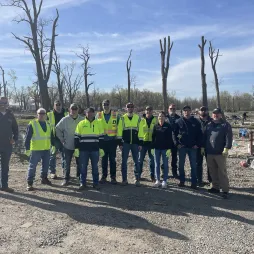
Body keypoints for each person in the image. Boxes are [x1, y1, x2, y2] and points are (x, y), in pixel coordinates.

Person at [204, 108, 233, 199]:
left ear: (221, 115)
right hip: (209, 152)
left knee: (222, 172)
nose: (215, 115)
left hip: (220, 153)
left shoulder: (225, 125)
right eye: (214, 113)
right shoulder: (209, 125)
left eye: (217, 113)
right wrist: (202, 147)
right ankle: (215, 187)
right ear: (212, 115)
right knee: (212, 171)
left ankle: (225, 190)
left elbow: (229, 137)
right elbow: (205, 137)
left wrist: (227, 148)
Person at [173, 105, 203, 189]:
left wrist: (197, 144)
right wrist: (177, 143)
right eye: (185, 110)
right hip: (182, 147)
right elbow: (174, 134)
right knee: (181, 165)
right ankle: (182, 181)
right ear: (182, 112)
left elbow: (200, 134)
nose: (186, 112)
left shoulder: (196, 122)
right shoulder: (178, 121)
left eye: (188, 110)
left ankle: (194, 182)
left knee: (193, 165)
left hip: (192, 147)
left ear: (191, 111)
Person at [74, 107, 104, 190]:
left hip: (95, 149)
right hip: (83, 150)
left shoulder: (98, 123)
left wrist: (101, 148)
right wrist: (76, 148)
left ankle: (96, 183)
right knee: (83, 167)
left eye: (91, 112)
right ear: (85, 113)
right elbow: (76, 137)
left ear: (94, 113)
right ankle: (82, 183)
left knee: (95, 167)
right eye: (88, 112)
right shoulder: (81, 123)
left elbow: (101, 137)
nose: (90, 114)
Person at [25, 108, 54, 191]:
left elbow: (50, 137)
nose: (41, 115)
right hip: (36, 149)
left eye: (43, 113)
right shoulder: (32, 124)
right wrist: (27, 149)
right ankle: (29, 183)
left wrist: (52, 146)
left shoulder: (48, 124)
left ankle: (44, 178)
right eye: (40, 113)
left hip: (46, 149)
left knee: (46, 165)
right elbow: (27, 138)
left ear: (46, 115)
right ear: (37, 114)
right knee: (32, 166)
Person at [55, 103, 84, 186]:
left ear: (78, 110)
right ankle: (66, 178)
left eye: (75, 109)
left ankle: (79, 178)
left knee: (80, 163)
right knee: (67, 163)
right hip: (68, 145)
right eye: (72, 109)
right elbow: (57, 129)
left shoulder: (82, 120)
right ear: (69, 109)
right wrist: (61, 139)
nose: (74, 110)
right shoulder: (64, 120)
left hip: (79, 146)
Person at [117, 102, 144, 186]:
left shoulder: (138, 118)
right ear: (126, 108)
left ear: (134, 108)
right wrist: (120, 144)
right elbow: (119, 131)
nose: (130, 108)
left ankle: (137, 179)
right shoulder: (122, 118)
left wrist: (140, 143)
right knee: (124, 162)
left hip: (135, 144)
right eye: (128, 107)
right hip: (125, 143)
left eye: (131, 107)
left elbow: (141, 132)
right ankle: (124, 179)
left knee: (136, 161)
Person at [96, 99, 120, 184]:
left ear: (110, 105)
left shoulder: (115, 115)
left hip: (112, 141)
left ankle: (113, 177)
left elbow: (119, 128)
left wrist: (119, 141)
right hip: (102, 141)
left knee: (112, 160)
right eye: (104, 104)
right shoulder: (98, 115)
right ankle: (104, 176)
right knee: (103, 159)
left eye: (107, 104)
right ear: (102, 106)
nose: (105, 106)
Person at [0, 97, 18, 192]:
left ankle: (4, 185)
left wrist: (14, 139)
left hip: (7, 145)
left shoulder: (10, 115)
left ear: (7, 103)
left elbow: (15, 129)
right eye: (1, 102)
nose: (3, 104)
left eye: (5, 102)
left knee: (5, 166)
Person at [151, 111, 174, 188]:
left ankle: (165, 180)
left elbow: (170, 138)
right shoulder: (155, 126)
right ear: (158, 117)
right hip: (156, 149)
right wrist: (152, 147)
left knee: (165, 164)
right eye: (160, 116)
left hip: (165, 149)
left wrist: (169, 149)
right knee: (157, 164)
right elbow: (153, 137)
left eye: (162, 116)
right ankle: (157, 180)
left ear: (165, 117)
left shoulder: (168, 126)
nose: (161, 118)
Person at [47, 100, 68, 179]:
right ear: (54, 106)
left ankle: (65, 171)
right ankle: (52, 172)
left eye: (59, 104)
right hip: (54, 138)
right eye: (56, 105)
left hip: (64, 138)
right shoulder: (49, 114)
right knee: (52, 155)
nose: (58, 106)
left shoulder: (66, 114)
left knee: (64, 156)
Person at [139, 106, 157, 182]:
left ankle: (153, 176)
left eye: (150, 110)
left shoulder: (155, 120)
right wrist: (139, 143)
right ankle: (138, 175)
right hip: (143, 144)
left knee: (152, 161)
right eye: (147, 110)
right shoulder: (142, 120)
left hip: (152, 144)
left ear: (152, 111)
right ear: (145, 111)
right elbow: (139, 132)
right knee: (140, 160)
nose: (148, 112)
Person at [196, 106, 212, 186]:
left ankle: (211, 181)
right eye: (201, 110)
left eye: (205, 110)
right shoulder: (196, 121)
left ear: (207, 111)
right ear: (199, 111)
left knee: (210, 164)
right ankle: (199, 180)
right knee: (198, 163)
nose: (203, 111)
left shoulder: (212, 121)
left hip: (209, 146)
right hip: (198, 146)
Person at [165, 103, 180, 178]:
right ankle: (164, 172)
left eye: (174, 109)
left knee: (174, 158)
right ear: (168, 109)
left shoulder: (179, 118)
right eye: (171, 109)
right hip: (166, 141)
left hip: (175, 142)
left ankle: (174, 172)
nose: (172, 110)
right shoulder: (165, 117)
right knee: (165, 157)